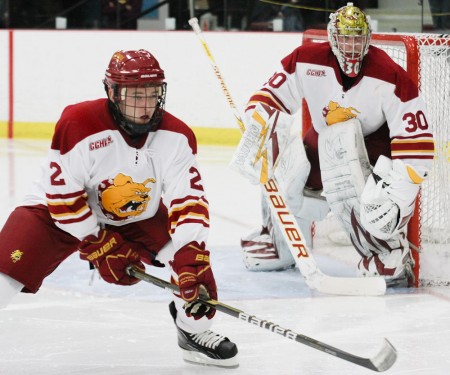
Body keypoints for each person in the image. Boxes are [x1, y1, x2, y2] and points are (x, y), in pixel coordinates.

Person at [0, 49, 238, 368]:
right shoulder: (79, 121)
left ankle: (193, 331)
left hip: (133, 213)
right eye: (134, 95)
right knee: (5, 275)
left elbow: (189, 200)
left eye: (152, 94)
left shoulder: (176, 136)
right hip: (55, 214)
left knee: (193, 265)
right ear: (112, 92)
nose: (144, 106)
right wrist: (98, 244)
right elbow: (63, 198)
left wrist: (192, 249)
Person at [231, 3, 435, 287]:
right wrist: (257, 128)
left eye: (357, 37)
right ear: (332, 36)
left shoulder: (391, 74)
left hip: (374, 148)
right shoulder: (306, 58)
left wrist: (397, 198)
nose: (351, 46)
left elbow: (417, 143)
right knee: (289, 171)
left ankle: (388, 250)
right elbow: (270, 96)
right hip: (325, 137)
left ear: (367, 38)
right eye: (345, 37)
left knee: (362, 192)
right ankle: (283, 242)